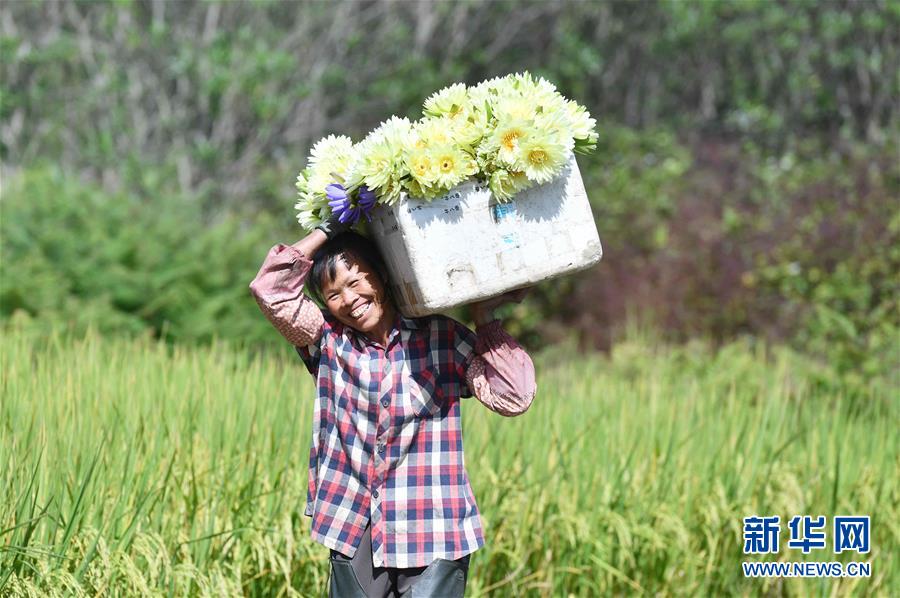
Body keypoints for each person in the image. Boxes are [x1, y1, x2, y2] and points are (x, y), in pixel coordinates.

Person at [249, 216, 537, 597]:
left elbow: (513, 395)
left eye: (356, 282)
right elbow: (270, 289)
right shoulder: (327, 341)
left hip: (434, 521)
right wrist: (328, 228)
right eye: (334, 294)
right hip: (355, 521)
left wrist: (484, 320)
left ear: (382, 276)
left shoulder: (441, 337)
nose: (349, 300)